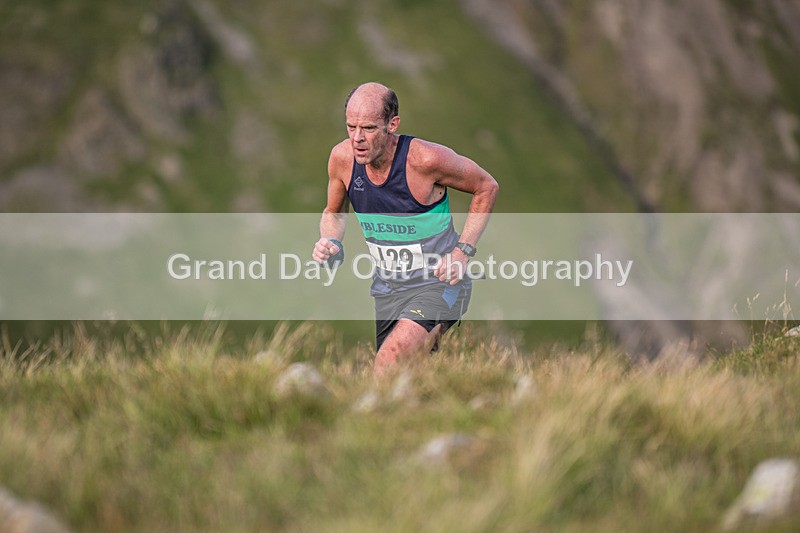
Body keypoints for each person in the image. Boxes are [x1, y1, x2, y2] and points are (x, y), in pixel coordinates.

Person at [312, 82, 498, 374]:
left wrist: (462, 253)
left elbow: (486, 187)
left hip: (438, 284)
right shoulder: (342, 159)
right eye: (351, 127)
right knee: (405, 379)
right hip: (387, 290)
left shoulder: (425, 160)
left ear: (392, 124)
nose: (357, 138)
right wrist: (331, 241)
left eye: (369, 128)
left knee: (388, 362)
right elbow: (333, 213)